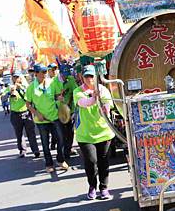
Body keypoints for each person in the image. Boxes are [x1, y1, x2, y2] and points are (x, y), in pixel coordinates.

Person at [73, 65, 114, 200]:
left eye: (91, 76)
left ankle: (104, 188)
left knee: (104, 162)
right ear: (82, 77)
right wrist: (94, 98)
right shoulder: (77, 91)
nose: (89, 79)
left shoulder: (104, 90)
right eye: (86, 76)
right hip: (86, 134)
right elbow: (84, 103)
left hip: (104, 132)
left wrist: (104, 105)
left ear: (96, 77)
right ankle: (92, 186)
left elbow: (108, 107)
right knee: (91, 162)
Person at [25, 64, 69, 173]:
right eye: (41, 72)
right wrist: (36, 113)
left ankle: (60, 159)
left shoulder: (52, 83)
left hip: (54, 116)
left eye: (45, 72)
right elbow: (28, 104)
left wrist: (59, 97)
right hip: (41, 119)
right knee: (45, 143)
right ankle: (48, 164)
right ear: (35, 74)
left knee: (61, 139)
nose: (44, 74)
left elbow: (57, 95)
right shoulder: (31, 87)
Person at [6, 70, 40, 158]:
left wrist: (20, 88)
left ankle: (35, 150)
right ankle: (22, 150)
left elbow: (30, 97)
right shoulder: (10, 87)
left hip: (26, 112)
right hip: (15, 114)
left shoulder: (25, 87)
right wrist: (9, 93)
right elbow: (2, 98)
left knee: (31, 133)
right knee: (19, 134)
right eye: (14, 77)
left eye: (17, 77)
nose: (16, 79)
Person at [52, 63, 78, 159]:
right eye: (64, 73)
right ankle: (62, 151)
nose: (65, 76)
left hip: (69, 111)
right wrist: (56, 97)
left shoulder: (70, 80)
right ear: (60, 72)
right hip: (58, 112)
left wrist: (75, 110)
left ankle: (67, 150)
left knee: (70, 132)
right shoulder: (54, 82)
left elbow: (75, 92)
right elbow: (50, 96)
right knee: (62, 134)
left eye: (67, 73)